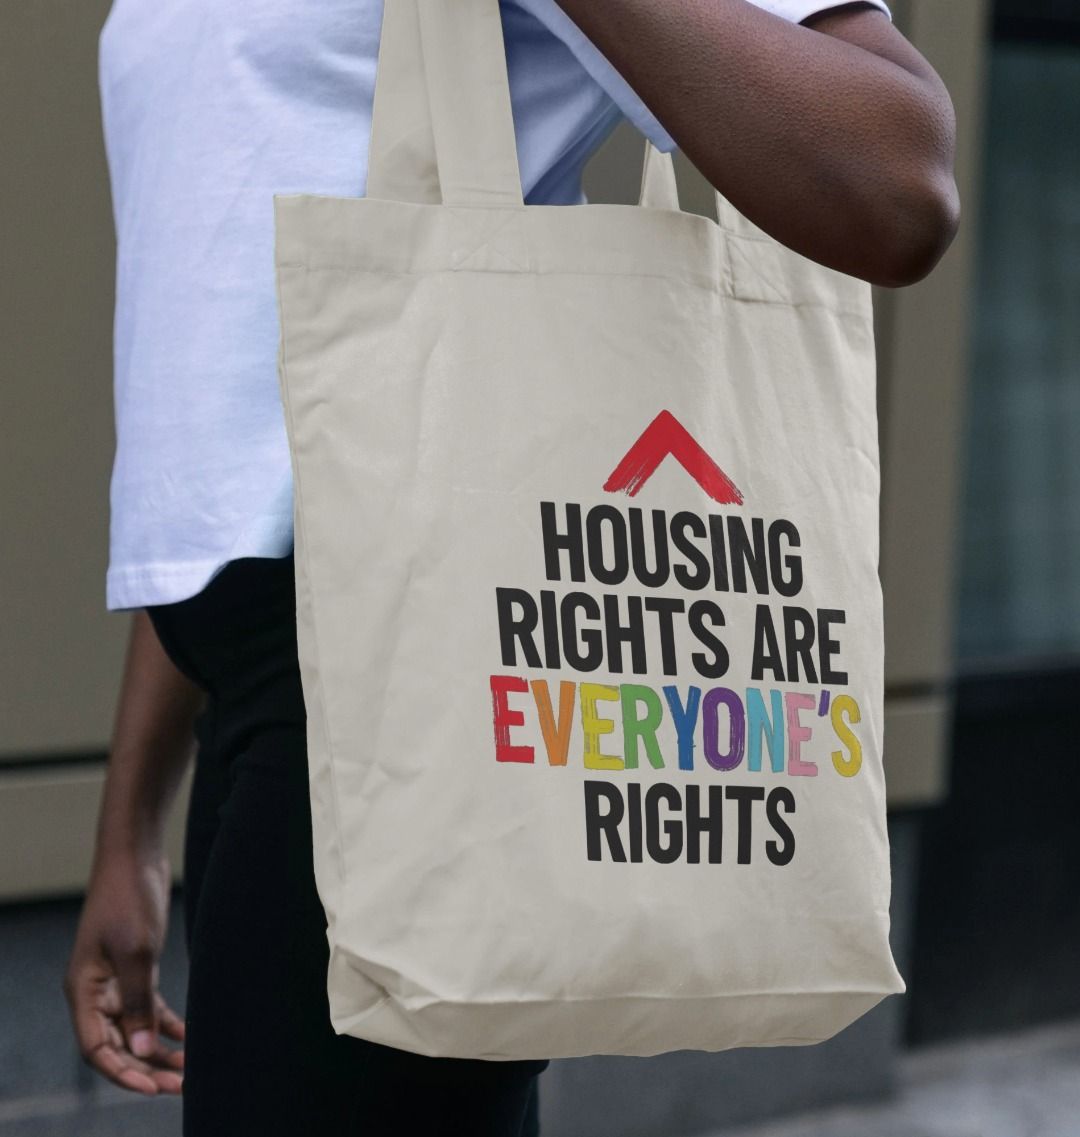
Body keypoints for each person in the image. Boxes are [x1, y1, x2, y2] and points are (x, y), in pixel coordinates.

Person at [64, 1, 958, 1134]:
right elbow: (250, 467)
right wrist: (130, 824)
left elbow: (898, 175)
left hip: (416, 684)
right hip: (257, 695)